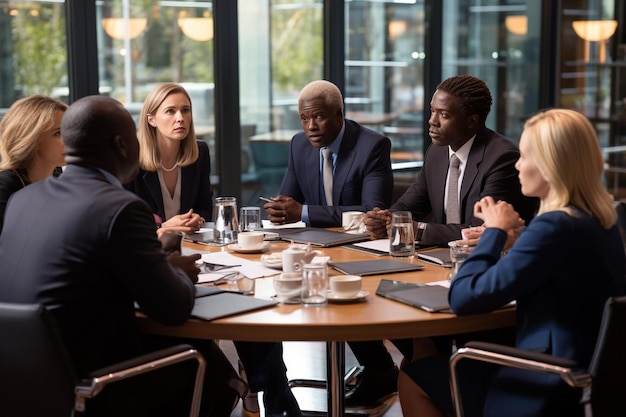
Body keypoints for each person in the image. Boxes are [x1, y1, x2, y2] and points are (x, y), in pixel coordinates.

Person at [0, 95, 244, 417]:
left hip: (23, 379)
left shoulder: (24, 198)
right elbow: (173, 309)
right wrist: (175, 272)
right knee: (211, 366)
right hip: (94, 386)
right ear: (121, 144)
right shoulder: (121, 207)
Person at [398, 108, 626, 417]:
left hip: (543, 384)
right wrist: (519, 238)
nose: (517, 165)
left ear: (550, 165)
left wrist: (494, 231)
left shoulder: (554, 227)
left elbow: (464, 297)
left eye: (525, 156)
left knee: (414, 375)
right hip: (589, 378)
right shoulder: (603, 219)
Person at [348, 75, 539, 408]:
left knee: (418, 352)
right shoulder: (438, 154)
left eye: (443, 115)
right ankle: (422, 368)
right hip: (438, 273)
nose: (431, 122)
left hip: (485, 285)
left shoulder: (502, 158)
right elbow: (409, 204)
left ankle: (426, 376)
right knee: (401, 319)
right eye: (432, 111)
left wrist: (411, 229)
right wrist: (386, 218)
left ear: (472, 121)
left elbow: (478, 230)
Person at [262, 79, 393, 227]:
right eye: (304, 119)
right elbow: (288, 203)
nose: (311, 126)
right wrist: (279, 211)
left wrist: (304, 213)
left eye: (319, 117)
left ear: (338, 115)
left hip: (356, 241)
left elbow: (373, 212)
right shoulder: (299, 144)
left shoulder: (372, 146)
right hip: (311, 243)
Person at [126, 82, 211, 235]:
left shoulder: (200, 152)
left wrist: (199, 219)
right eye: (170, 111)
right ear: (152, 120)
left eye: (185, 110)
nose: (180, 118)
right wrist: (162, 228)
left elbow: (204, 206)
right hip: (149, 248)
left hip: (191, 244)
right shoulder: (131, 158)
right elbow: (125, 222)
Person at [0, 94, 67, 233]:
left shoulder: (58, 178)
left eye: (69, 131)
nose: (69, 140)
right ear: (31, 137)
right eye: (58, 133)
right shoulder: (5, 187)